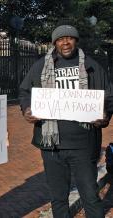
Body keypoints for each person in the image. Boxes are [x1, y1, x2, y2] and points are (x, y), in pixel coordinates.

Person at [19, 24, 109, 218]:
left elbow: (108, 96)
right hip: (52, 145)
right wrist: (27, 109)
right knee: (58, 198)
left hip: (83, 145)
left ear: (76, 41)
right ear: (55, 43)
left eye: (70, 38)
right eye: (60, 39)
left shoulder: (92, 66)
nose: (65, 42)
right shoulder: (41, 66)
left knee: (90, 196)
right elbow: (24, 91)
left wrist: (105, 115)